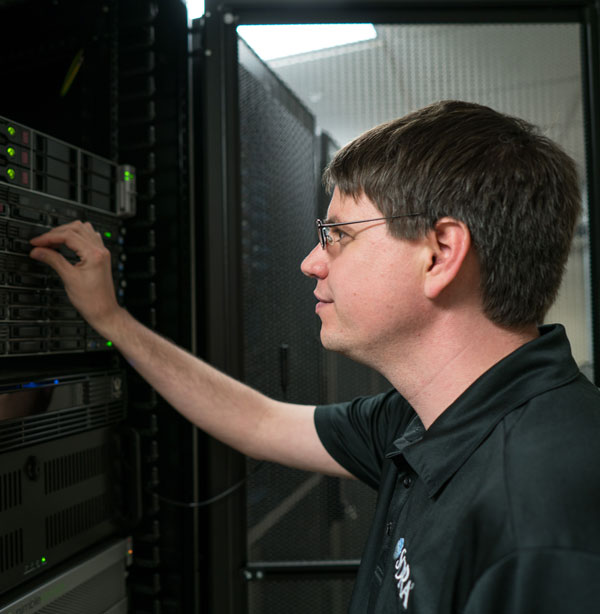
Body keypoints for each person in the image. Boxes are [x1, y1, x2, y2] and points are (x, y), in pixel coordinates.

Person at [29, 100, 600, 613]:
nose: (312, 261)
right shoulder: (426, 420)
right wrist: (111, 322)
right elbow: (258, 421)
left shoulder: (543, 521)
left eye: (337, 234)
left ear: (440, 254)